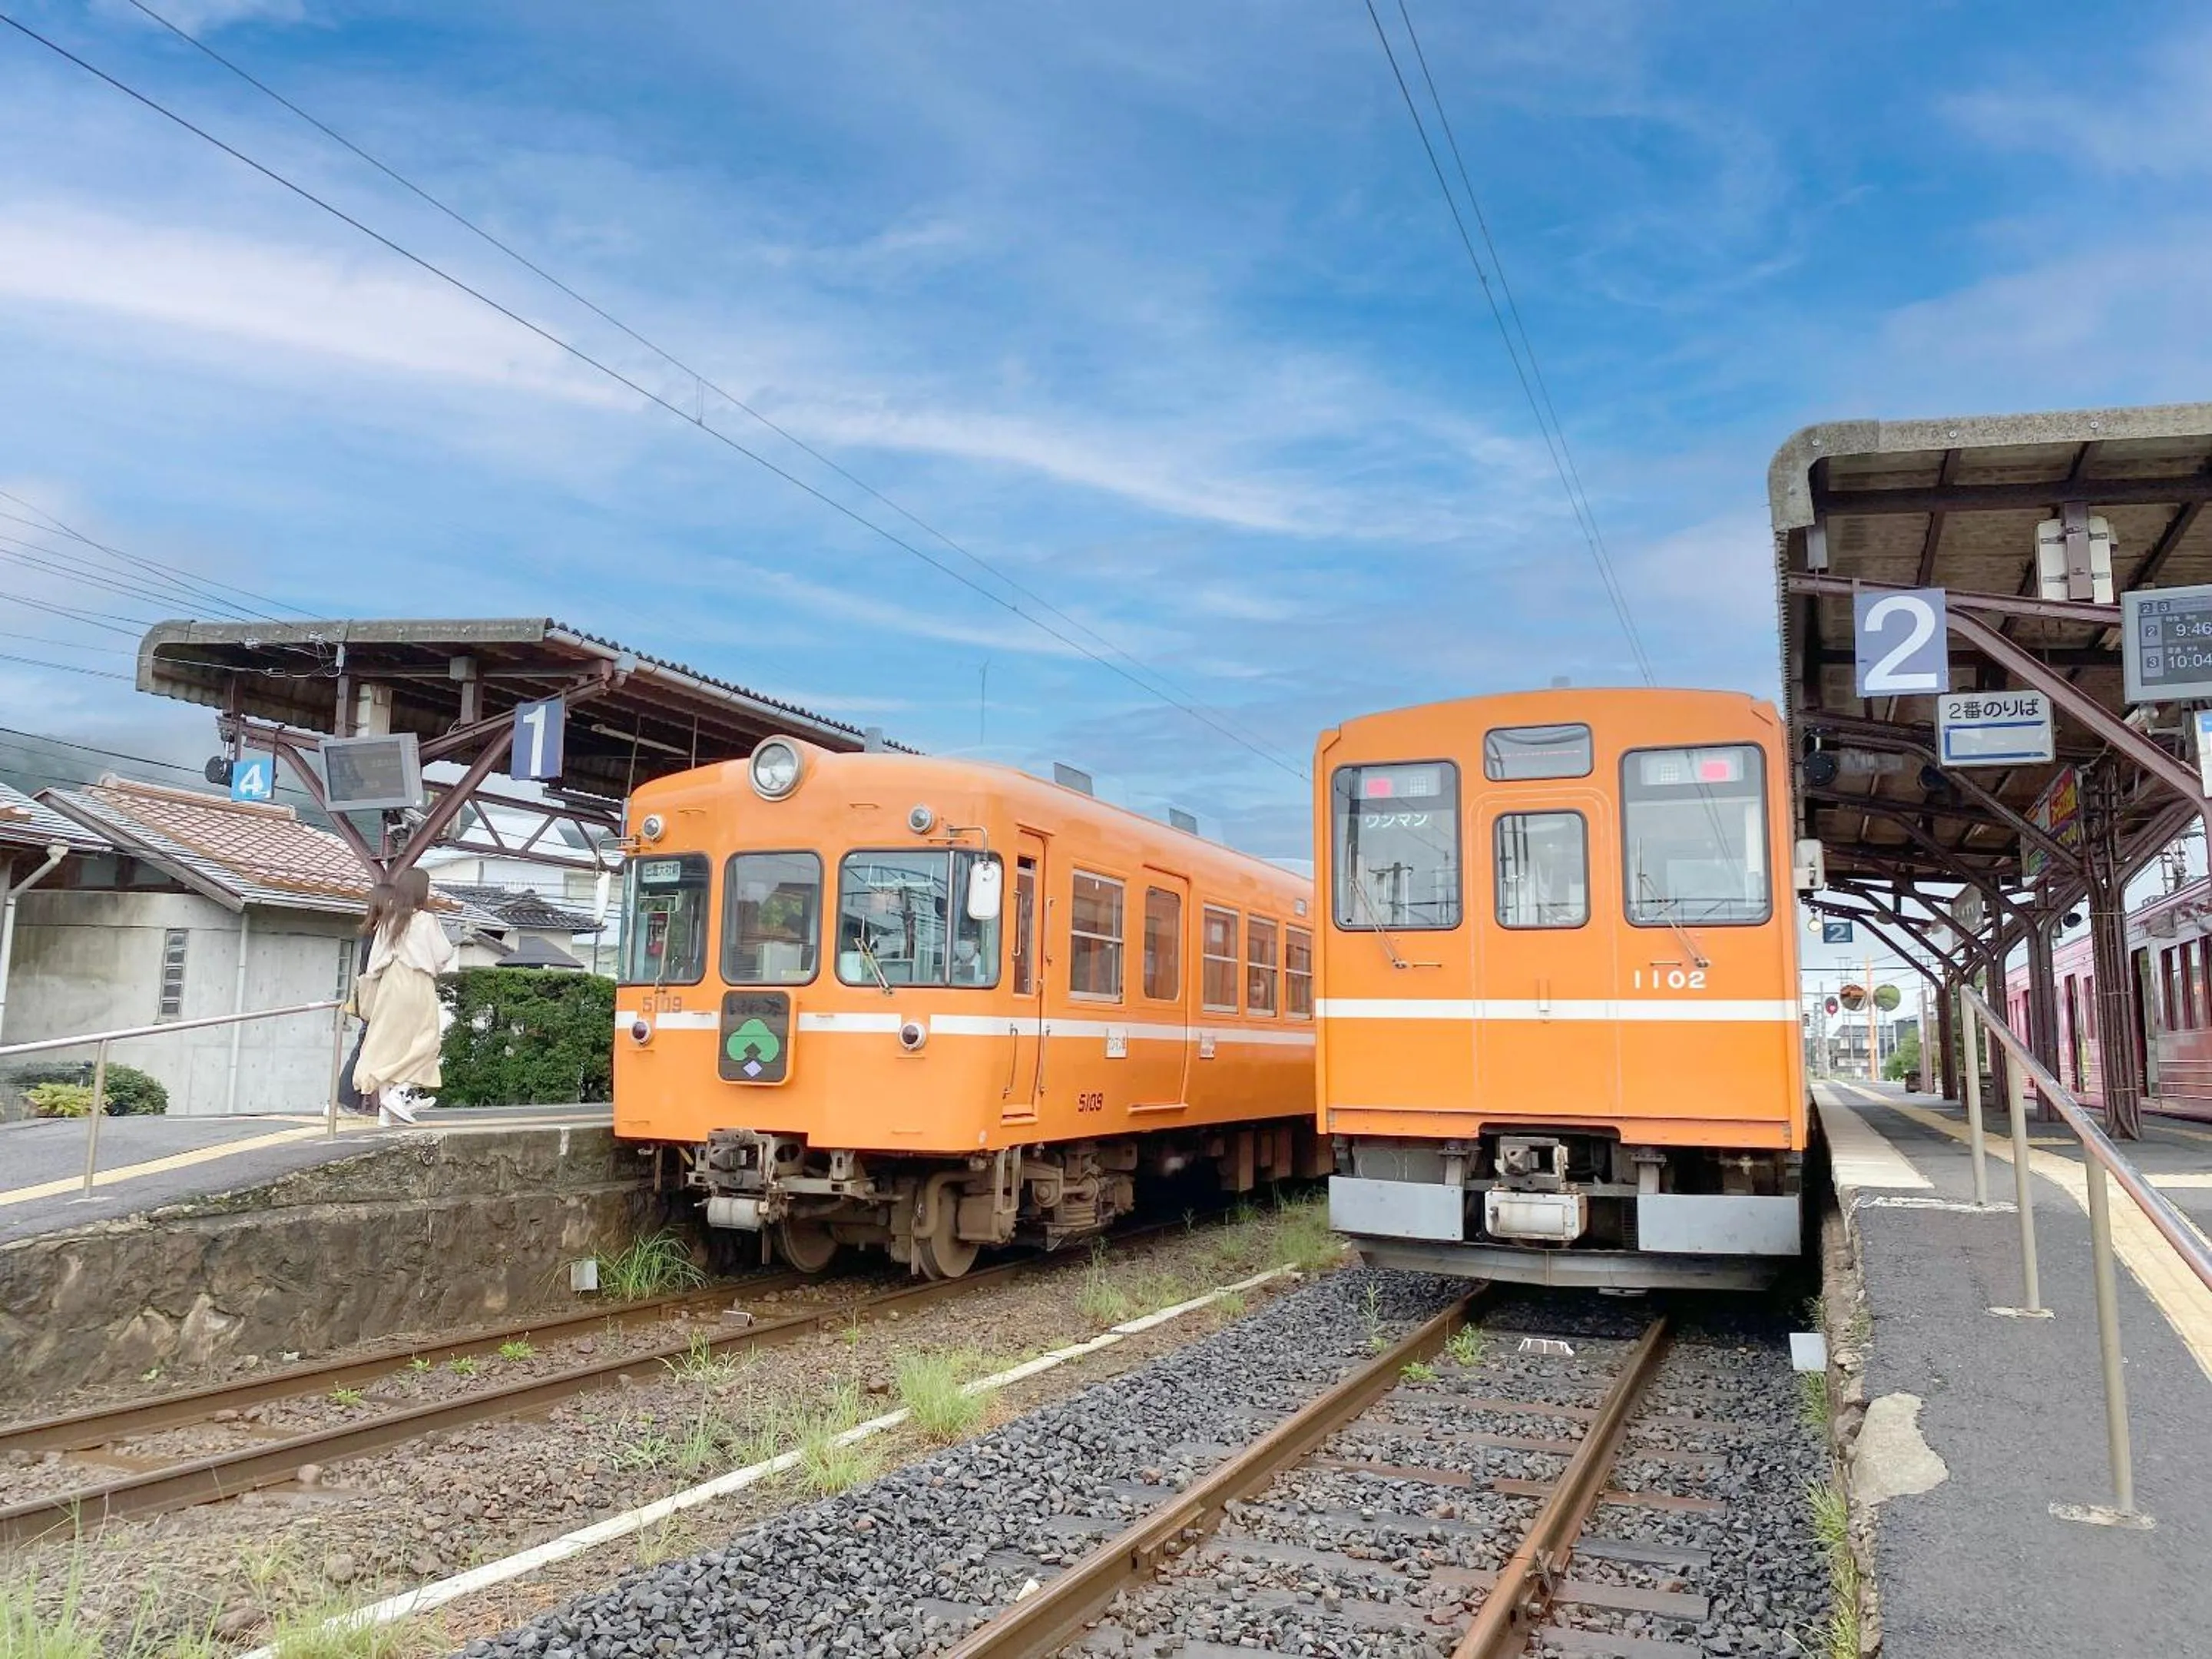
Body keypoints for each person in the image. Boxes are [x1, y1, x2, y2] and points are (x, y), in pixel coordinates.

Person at [353, 866, 456, 1125]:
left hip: (389, 984)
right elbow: (443, 953)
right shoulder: (426, 920)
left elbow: (374, 962)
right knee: (425, 1042)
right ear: (423, 890)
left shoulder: (388, 920)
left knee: (389, 1045)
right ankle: (401, 1093)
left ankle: (387, 1112)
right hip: (416, 983)